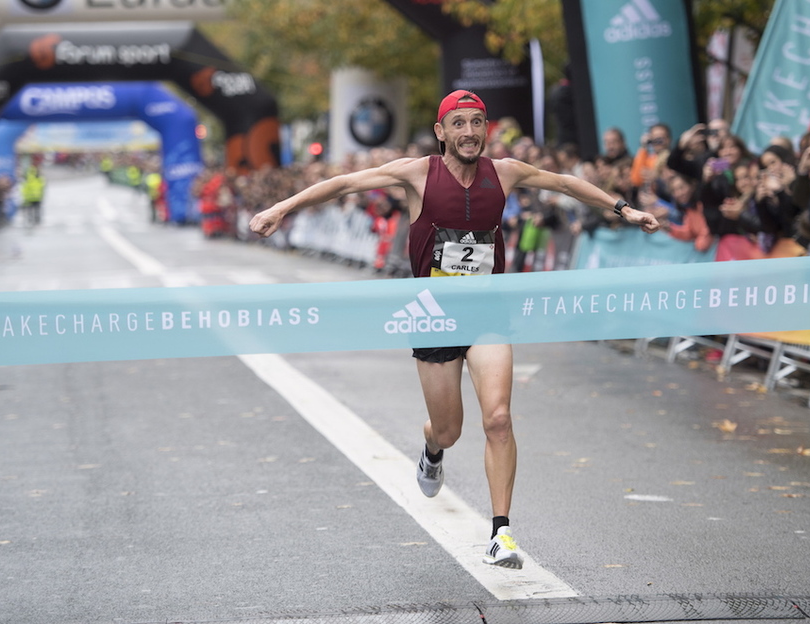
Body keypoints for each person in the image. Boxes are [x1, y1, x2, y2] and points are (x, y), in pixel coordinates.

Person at [249, 90, 659, 569]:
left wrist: (623, 209)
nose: (469, 132)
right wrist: (281, 208)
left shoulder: (504, 172)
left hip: (486, 312)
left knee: (499, 418)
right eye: (459, 123)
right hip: (433, 314)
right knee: (449, 429)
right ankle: (431, 448)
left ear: (486, 129)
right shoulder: (416, 172)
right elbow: (343, 184)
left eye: (477, 122)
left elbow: (566, 183)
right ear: (442, 132)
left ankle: (501, 533)